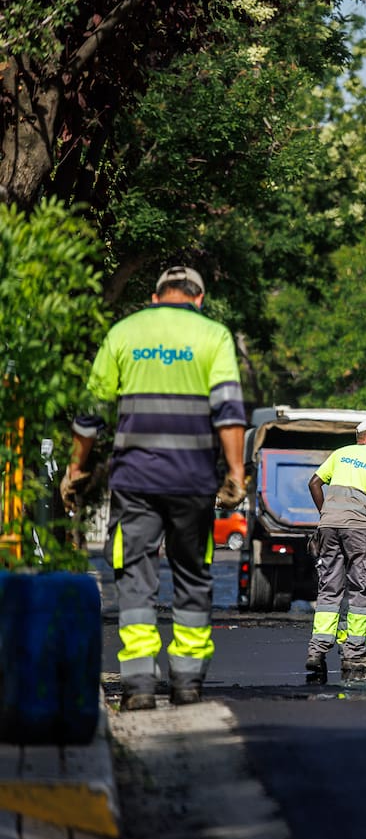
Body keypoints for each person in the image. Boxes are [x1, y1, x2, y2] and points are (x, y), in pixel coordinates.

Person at [63, 265, 246, 711]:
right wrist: (236, 473)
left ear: (155, 297)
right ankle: (187, 682)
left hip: (135, 482)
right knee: (193, 574)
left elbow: (90, 413)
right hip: (193, 481)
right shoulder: (214, 336)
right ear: (198, 299)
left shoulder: (124, 333)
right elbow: (229, 412)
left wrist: (75, 469)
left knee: (134, 577)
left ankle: (139, 684)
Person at [306, 418, 366, 680]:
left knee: (329, 587)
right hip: (358, 529)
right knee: (362, 587)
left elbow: (314, 483)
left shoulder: (342, 453)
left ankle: (316, 651)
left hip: (328, 526)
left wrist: (327, 514)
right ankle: (354, 653)